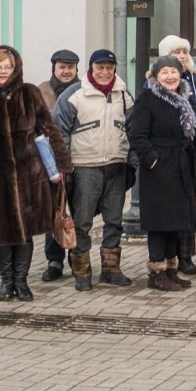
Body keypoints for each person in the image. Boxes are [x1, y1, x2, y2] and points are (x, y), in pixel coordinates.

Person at [0, 45, 72, 302]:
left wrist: (61, 165)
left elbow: (50, 129)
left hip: (29, 175)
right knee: (3, 232)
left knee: (25, 231)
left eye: (7, 67)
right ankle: (6, 281)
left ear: (16, 68)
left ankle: (22, 282)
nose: (3, 72)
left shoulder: (30, 93)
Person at [51, 49, 134, 290]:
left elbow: (134, 129)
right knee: (82, 221)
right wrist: (64, 167)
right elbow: (59, 132)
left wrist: (132, 164)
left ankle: (110, 270)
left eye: (109, 67)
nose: (105, 72)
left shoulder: (124, 94)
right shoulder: (74, 93)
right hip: (85, 167)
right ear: (91, 68)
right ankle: (82, 272)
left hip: (116, 166)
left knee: (114, 221)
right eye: (100, 67)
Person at [128, 55, 196, 291]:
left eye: (174, 71)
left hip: (180, 166)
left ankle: (171, 269)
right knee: (160, 222)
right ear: (156, 76)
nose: (170, 76)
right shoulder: (147, 99)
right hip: (159, 168)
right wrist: (152, 161)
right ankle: (156, 273)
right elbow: (137, 134)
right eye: (164, 72)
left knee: (176, 220)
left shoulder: (183, 98)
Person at [159, 35, 196, 278]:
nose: (182, 55)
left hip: (190, 153)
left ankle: (186, 255)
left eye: (184, 51)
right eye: (176, 51)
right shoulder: (157, 82)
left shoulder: (194, 81)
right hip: (167, 155)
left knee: (188, 204)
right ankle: (170, 255)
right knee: (170, 205)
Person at [37, 48, 83, 282]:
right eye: (62, 67)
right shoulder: (41, 92)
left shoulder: (84, 91)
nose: (66, 71)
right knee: (53, 211)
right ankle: (54, 261)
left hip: (80, 160)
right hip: (50, 163)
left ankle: (77, 257)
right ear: (54, 68)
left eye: (70, 67)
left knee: (77, 211)